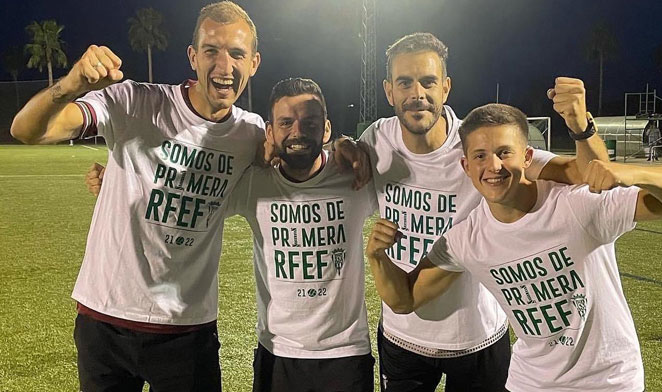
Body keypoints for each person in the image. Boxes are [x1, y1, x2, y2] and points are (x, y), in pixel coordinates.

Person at [11, 2, 367, 391]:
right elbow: (28, 130)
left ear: (254, 63)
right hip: (106, 319)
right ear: (192, 56)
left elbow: (299, 147)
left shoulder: (249, 134)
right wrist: (71, 84)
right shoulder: (135, 102)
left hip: (187, 331)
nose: (224, 65)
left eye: (236, 53)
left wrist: (344, 145)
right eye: (212, 50)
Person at [365, 103, 662, 391]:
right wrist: (378, 257)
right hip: (529, 383)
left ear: (528, 156)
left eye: (504, 153)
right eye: (480, 156)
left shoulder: (577, 206)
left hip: (607, 382)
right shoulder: (466, 239)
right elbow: (403, 300)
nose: (493, 167)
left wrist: (632, 174)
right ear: (466, 166)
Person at [356, 32, 609, 391]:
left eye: (428, 81)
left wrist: (582, 127)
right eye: (404, 83)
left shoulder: (479, 145)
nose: (417, 94)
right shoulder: (375, 140)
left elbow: (589, 175)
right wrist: (338, 147)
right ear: (388, 91)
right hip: (403, 337)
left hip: (479, 334)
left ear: (445, 87)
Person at [224, 77, 377, 391]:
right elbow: (193, 196)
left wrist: (346, 144)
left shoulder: (356, 177)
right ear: (270, 131)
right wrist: (121, 184)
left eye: (310, 123)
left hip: (346, 354)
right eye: (286, 122)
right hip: (278, 353)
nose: (298, 133)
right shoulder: (254, 183)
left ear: (327, 129)